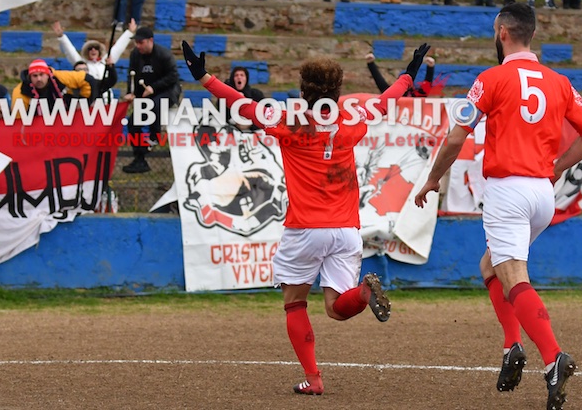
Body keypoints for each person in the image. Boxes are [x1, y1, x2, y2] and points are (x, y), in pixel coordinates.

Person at [182, 39, 433, 396]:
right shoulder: (352, 119)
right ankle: (363, 292)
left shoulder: (288, 122)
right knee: (336, 308)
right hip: (346, 229)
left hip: (304, 229)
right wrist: (409, 73)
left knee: (294, 304)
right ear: (338, 91)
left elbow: (241, 104)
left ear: (303, 91)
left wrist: (203, 77)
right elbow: (386, 100)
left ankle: (314, 378)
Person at [413, 2, 582, 410]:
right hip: (542, 195)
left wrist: (432, 179)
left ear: (502, 33)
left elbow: (457, 137)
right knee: (490, 266)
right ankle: (512, 346)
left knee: (514, 277)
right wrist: (556, 168)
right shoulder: (560, 82)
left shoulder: (491, 78)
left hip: (507, 191)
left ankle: (553, 358)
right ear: (532, 34)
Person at [123, 26, 181, 174]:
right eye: (136, 42)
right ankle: (139, 158)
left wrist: (154, 88)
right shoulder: (135, 55)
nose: (138, 46)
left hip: (167, 91)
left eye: (141, 42)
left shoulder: (164, 55)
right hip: (147, 93)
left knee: (155, 105)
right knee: (133, 123)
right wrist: (131, 92)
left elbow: (173, 76)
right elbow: (132, 75)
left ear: (150, 41)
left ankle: (154, 137)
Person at [54, 18, 135, 100]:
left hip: (106, 99)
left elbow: (118, 48)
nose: (93, 50)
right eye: (90, 48)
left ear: (99, 51)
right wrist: (61, 37)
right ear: (86, 52)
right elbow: (70, 52)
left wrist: (129, 32)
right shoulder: (82, 64)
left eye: (96, 48)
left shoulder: (105, 61)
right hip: (89, 98)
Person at [10, 58, 94, 111]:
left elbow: (89, 80)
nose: (39, 79)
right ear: (30, 77)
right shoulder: (20, 91)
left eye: (41, 75)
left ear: (48, 75)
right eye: (35, 76)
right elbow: (18, 121)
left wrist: (84, 102)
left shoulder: (61, 77)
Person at [365, 53, 436, 97]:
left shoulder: (417, 95)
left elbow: (427, 84)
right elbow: (380, 82)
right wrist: (370, 63)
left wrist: (430, 67)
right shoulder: (392, 95)